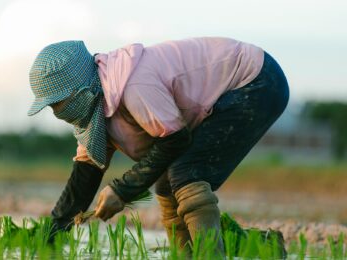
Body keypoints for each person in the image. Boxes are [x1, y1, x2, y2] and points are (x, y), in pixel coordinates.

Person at [27, 37, 289, 253]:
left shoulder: (133, 85)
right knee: (166, 186)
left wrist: (122, 190)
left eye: (55, 103)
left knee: (187, 172)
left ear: (78, 90)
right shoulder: (96, 113)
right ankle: (262, 247)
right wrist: (51, 236)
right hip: (230, 93)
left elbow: (175, 140)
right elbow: (85, 176)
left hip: (256, 80)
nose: (55, 111)